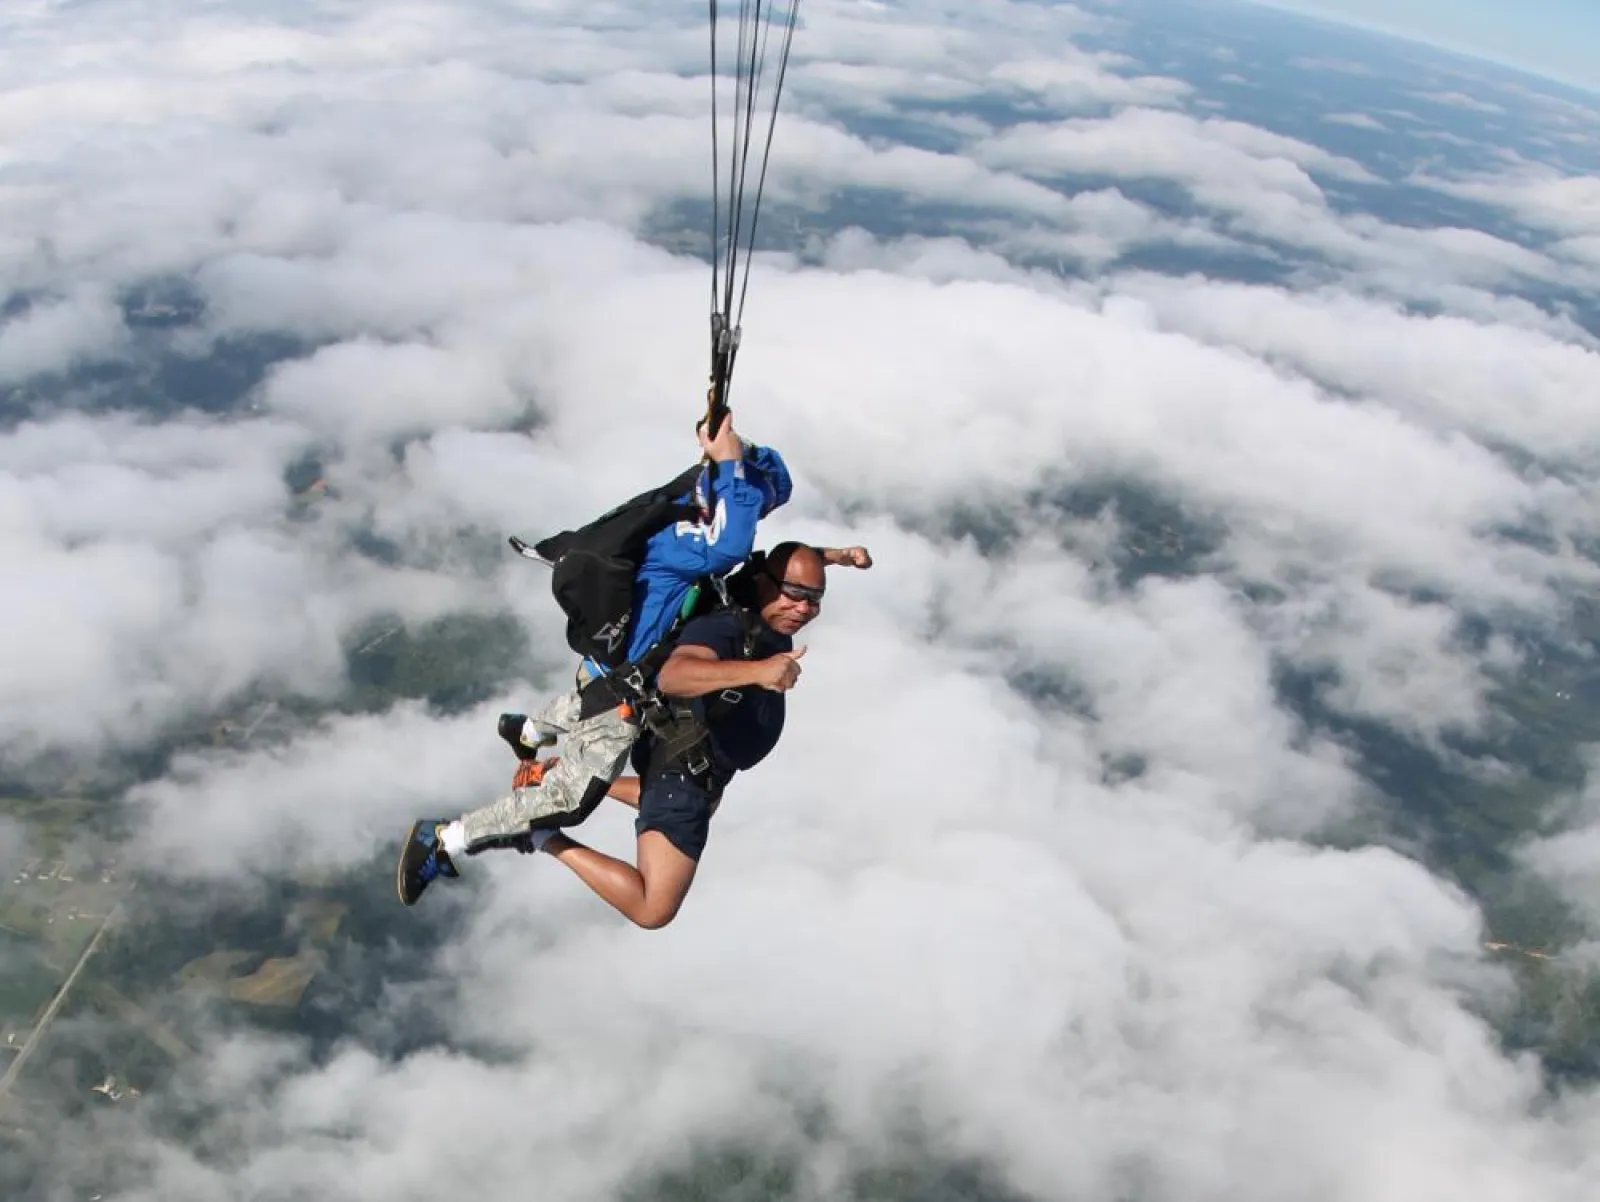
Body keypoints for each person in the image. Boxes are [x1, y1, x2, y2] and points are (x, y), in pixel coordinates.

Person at [398, 540, 866, 926]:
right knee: (652, 907)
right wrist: (758, 671)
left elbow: (789, 564)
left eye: (814, 599)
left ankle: (549, 782)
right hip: (685, 771)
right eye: (794, 595)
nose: (804, 607)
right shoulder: (723, 628)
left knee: (684, 796)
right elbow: (676, 676)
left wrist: (839, 556)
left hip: (692, 770)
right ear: (766, 584)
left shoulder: (758, 596)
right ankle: (537, 835)